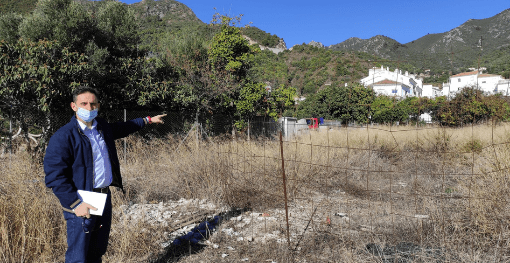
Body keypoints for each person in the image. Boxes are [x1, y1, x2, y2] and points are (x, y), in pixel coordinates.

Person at [44, 86, 166, 263]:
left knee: (97, 250)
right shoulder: (63, 136)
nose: (88, 108)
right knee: (78, 255)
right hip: (81, 199)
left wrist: (148, 120)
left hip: (103, 196)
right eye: (83, 104)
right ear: (73, 106)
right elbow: (55, 176)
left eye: (93, 104)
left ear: (98, 106)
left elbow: (125, 127)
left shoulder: (101, 128)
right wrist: (75, 203)